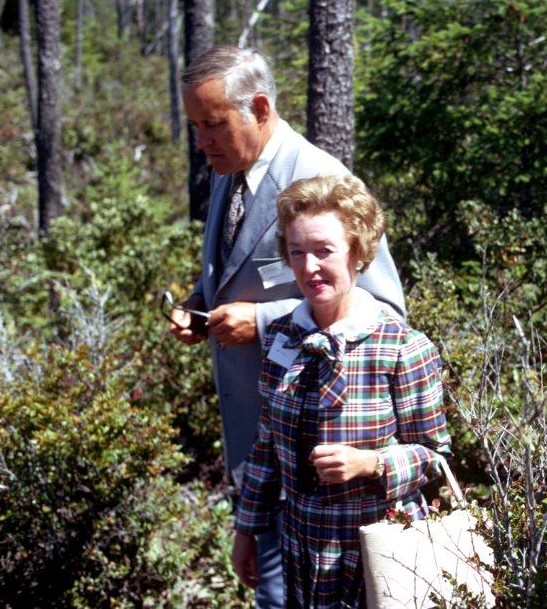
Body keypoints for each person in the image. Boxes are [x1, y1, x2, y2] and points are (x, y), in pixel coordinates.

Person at [167, 46, 406, 608]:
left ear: (260, 108)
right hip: (260, 454)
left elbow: (388, 310)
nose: (202, 142)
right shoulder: (233, 171)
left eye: (214, 125)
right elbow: (239, 277)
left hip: (323, 467)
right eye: (195, 126)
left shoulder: (322, 180)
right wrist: (199, 305)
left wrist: (263, 321)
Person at [230, 173, 451, 608]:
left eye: (324, 251)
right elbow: (266, 446)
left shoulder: (401, 346)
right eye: (297, 252)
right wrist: (246, 531)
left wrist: (372, 463)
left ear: (358, 251)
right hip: (303, 551)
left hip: (379, 551)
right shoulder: (282, 337)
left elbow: (435, 457)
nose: (309, 267)